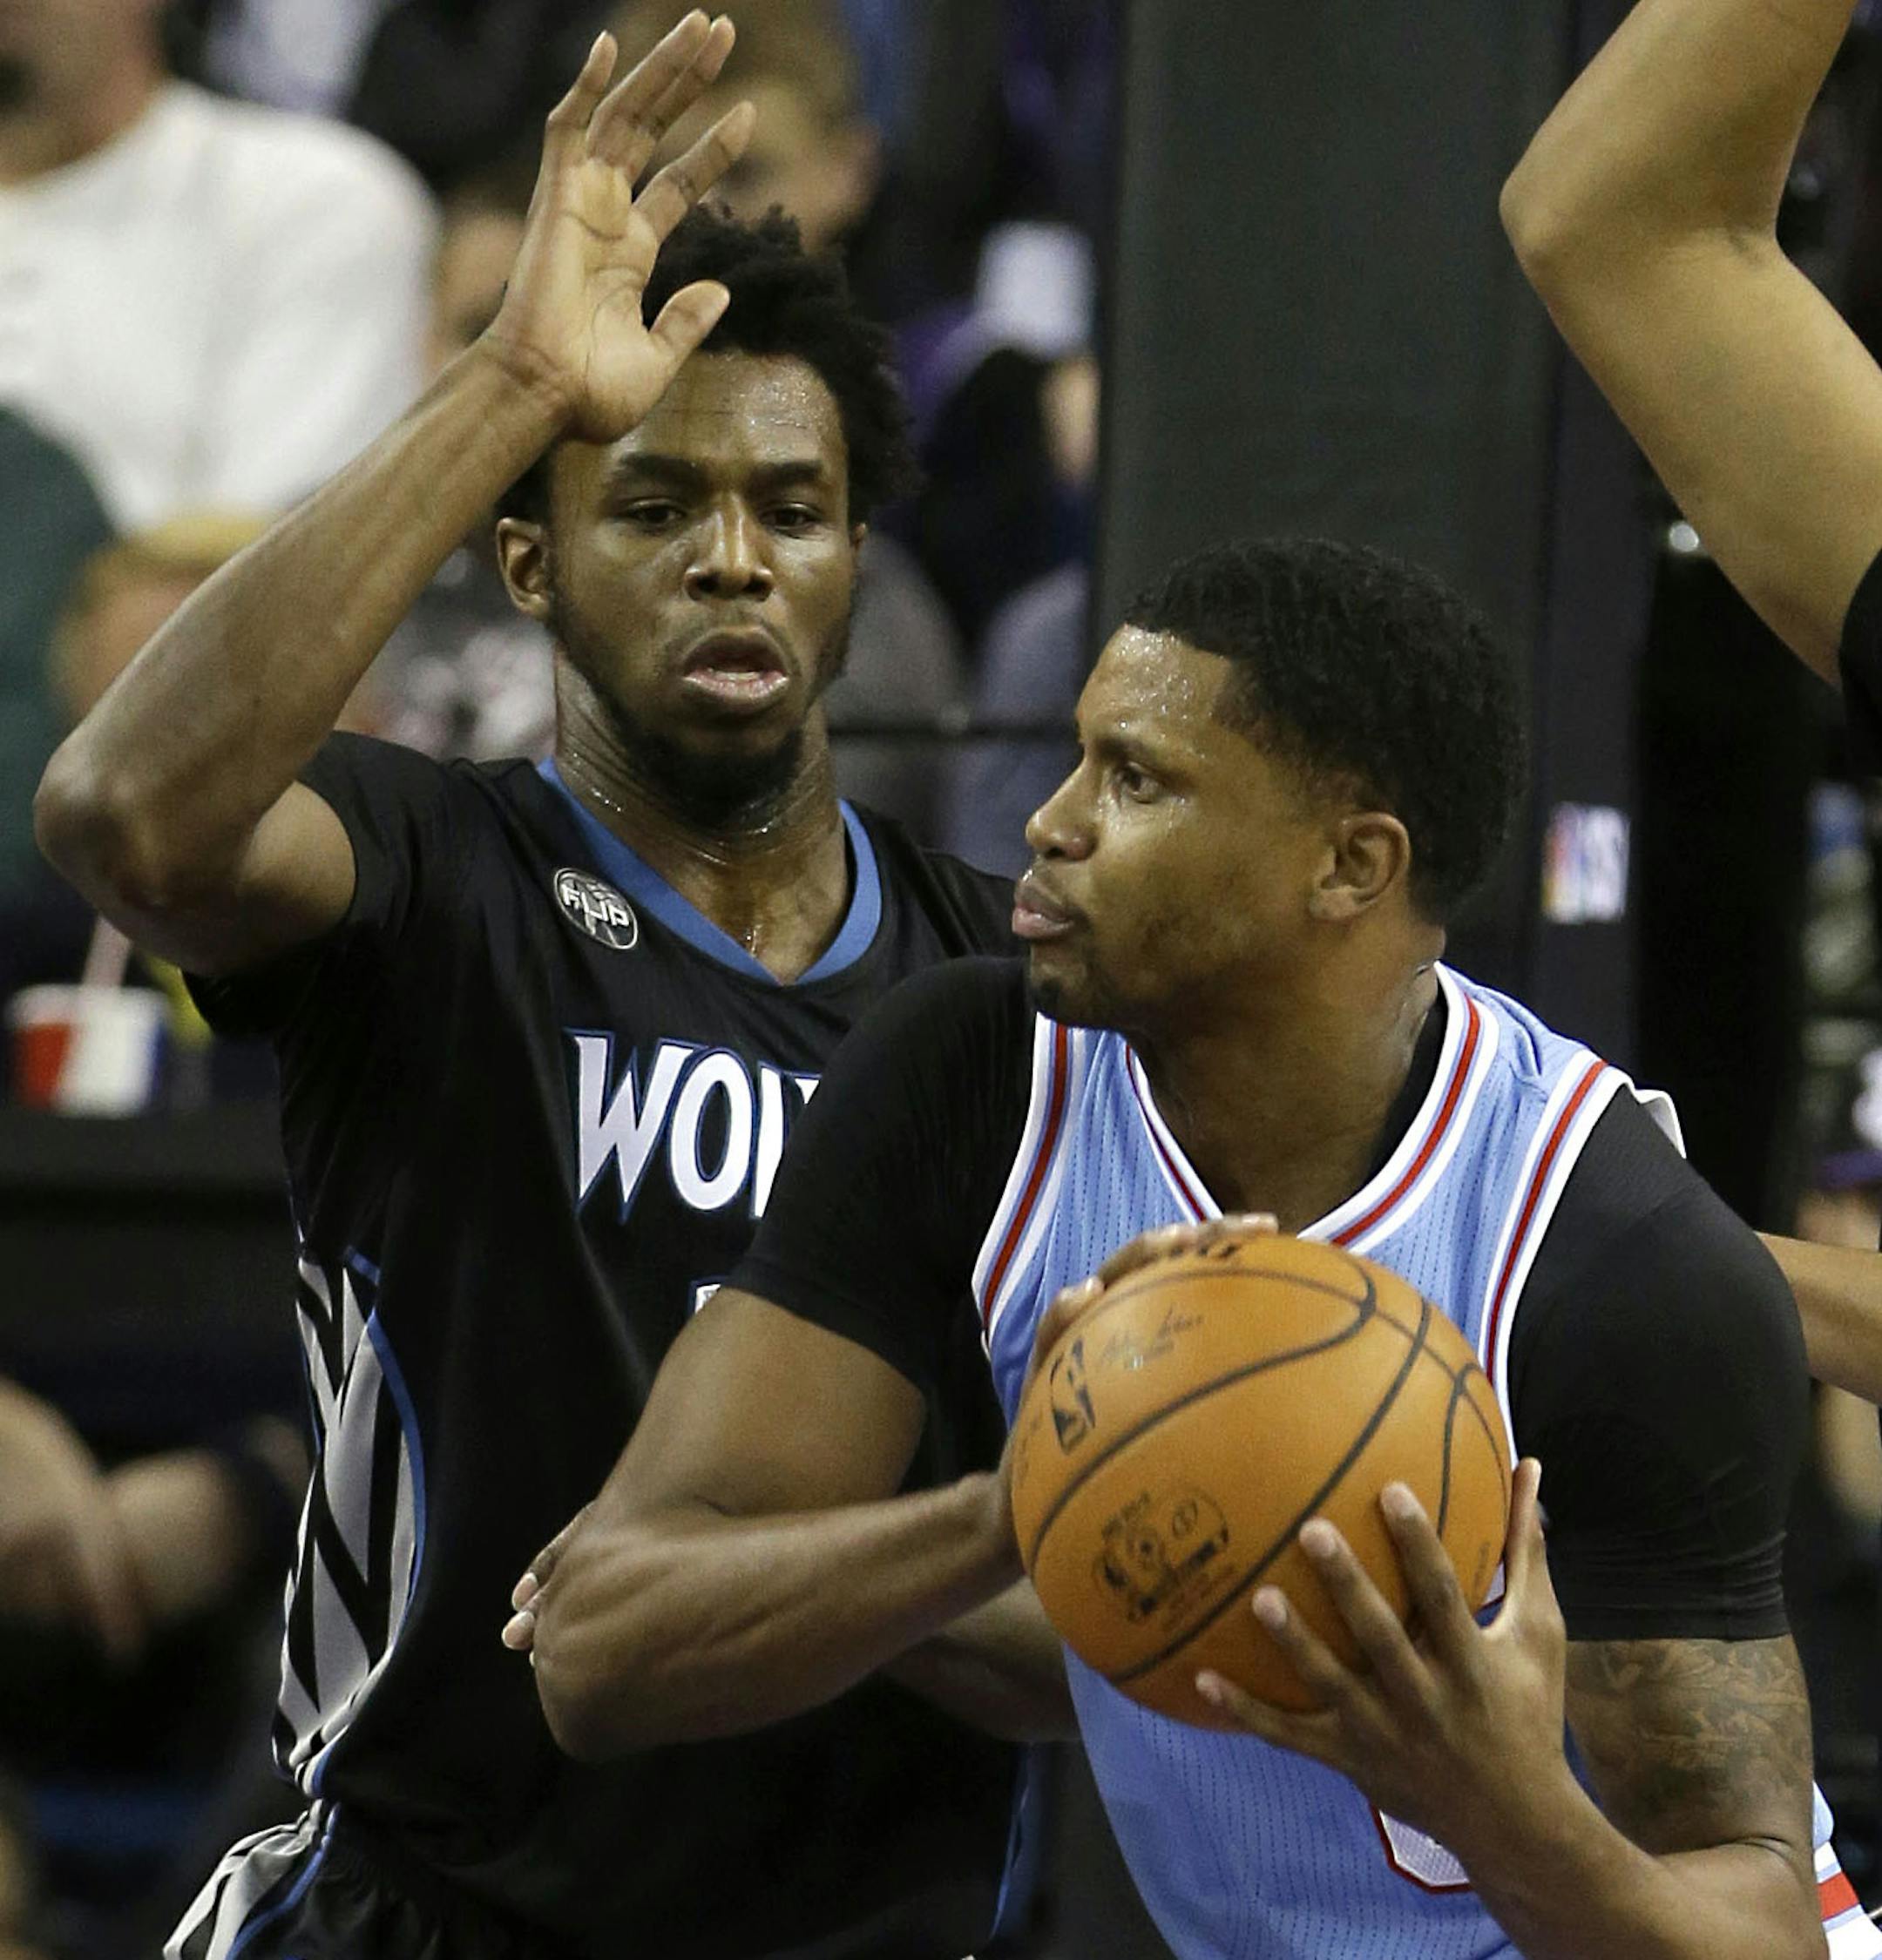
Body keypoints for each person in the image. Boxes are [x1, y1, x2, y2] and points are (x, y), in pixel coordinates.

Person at [35, 16, 1066, 1957]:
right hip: (427, 1901)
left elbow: (1069, 1631)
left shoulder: (998, 987)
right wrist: (513, 373)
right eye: (657, 509)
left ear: (858, 566)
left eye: (794, 510)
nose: (735, 562)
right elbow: (124, 817)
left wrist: (767, 1589)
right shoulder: (436, 871)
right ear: (527, 561)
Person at [509, 537, 1872, 1959]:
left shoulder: (1612, 1254)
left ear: (1349, 865)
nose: (1050, 820)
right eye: (1080, 755)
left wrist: (1506, 1810)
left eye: (1138, 779)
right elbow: (599, 1655)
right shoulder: (976, 1085)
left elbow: (1758, 1928)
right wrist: (1026, 1506)